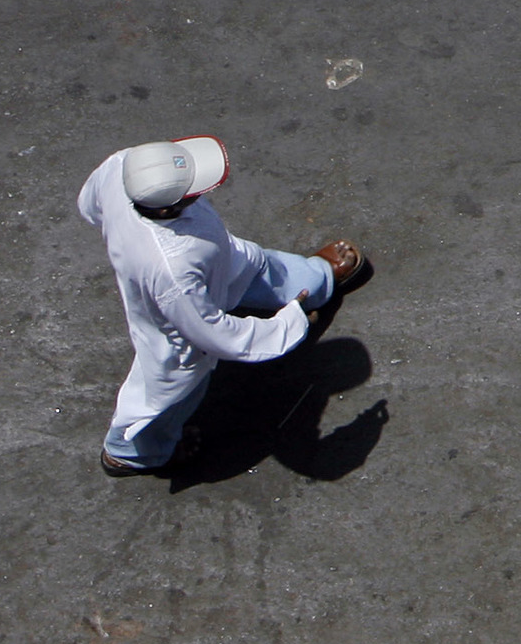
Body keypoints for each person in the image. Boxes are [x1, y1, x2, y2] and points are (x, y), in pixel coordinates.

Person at [76, 136, 367, 478]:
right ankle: (133, 453)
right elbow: (216, 336)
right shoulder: (172, 273)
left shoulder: (121, 166)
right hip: (182, 312)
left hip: (221, 258)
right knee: (171, 388)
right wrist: (286, 324)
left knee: (256, 265)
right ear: (168, 208)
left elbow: (89, 205)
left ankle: (315, 280)